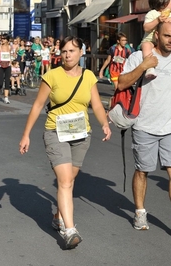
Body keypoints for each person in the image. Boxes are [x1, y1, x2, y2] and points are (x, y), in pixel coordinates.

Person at [19, 36, 111, 249]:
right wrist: (26, 135)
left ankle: (58, 215)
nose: (68, 55)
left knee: (70, 179)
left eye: (72, 50)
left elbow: (96, 104)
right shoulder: (52, 76)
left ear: (81, 52)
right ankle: (70, 230)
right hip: (55, 133)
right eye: (64, 51)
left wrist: (104, 124)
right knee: (66, 181)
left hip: (81, 134)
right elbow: (37, 106)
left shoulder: (88, 77)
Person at [117, 22, 171, 237]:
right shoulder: (139, 56)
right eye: (166, 36)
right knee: (143, 171)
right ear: (157, 35)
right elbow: (121, 84)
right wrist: (143, 67)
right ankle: (140, 212)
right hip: (145, 125)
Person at [0, 33, 12, 104]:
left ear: (8, 40)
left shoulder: (10, 47)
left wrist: (11, 64)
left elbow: (10, 56)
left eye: (4, 39)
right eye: (2, 39)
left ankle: (6, 97)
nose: (3, 40)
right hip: (0, 65)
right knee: (1, 82)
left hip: (8, 65)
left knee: (7, 81)